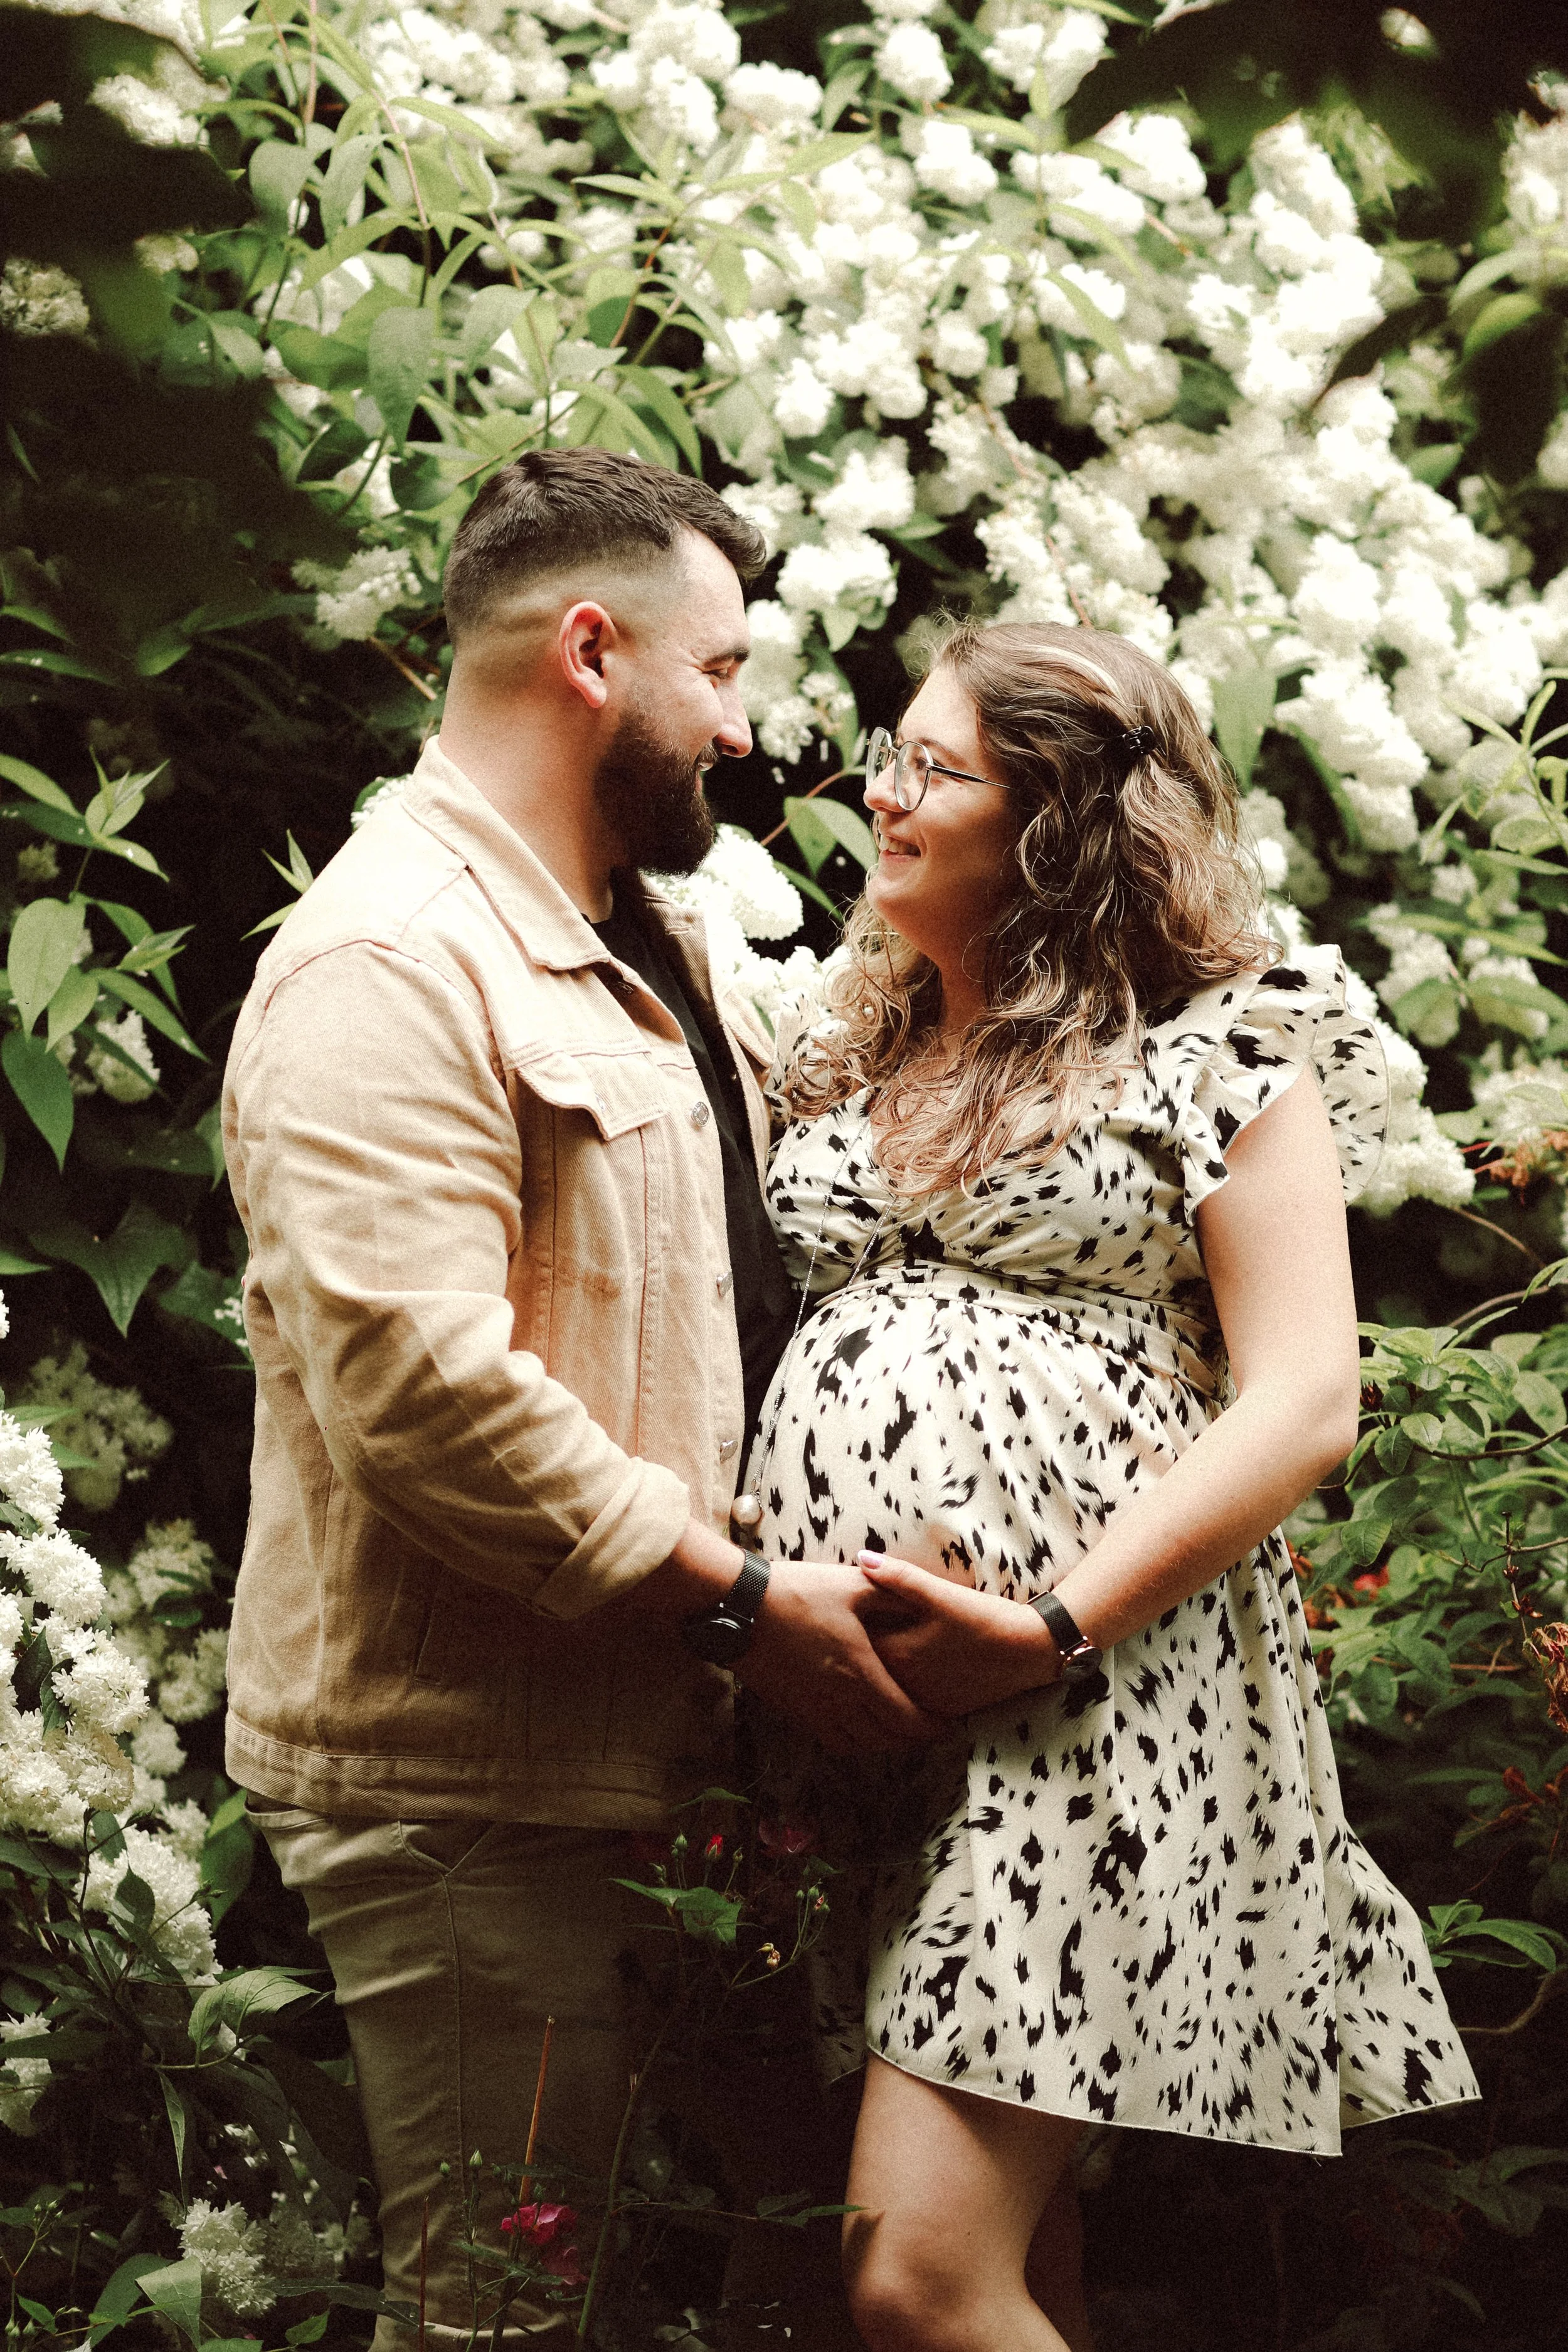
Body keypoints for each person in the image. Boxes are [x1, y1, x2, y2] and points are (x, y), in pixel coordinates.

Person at [220, 447, 938, 2348]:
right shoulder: (388, 960)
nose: (749, 721)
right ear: (595, 655)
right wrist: (728, 1597)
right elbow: (420, 1389)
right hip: (472, 1788)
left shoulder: (652, 933)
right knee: (500, 2322)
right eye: (723, 671)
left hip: (644, 1766)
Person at [747, 620, 1481, 2352]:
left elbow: (1303, 1396)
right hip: (868, 1723)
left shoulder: (1221, 1050)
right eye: (889, 750)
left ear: (1062, 824)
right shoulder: (836, 1049)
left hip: (1097, 1701)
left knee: (915, 2277)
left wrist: (1047, 1623)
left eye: (934, 768)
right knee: (1015, 2261)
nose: (881, 789)